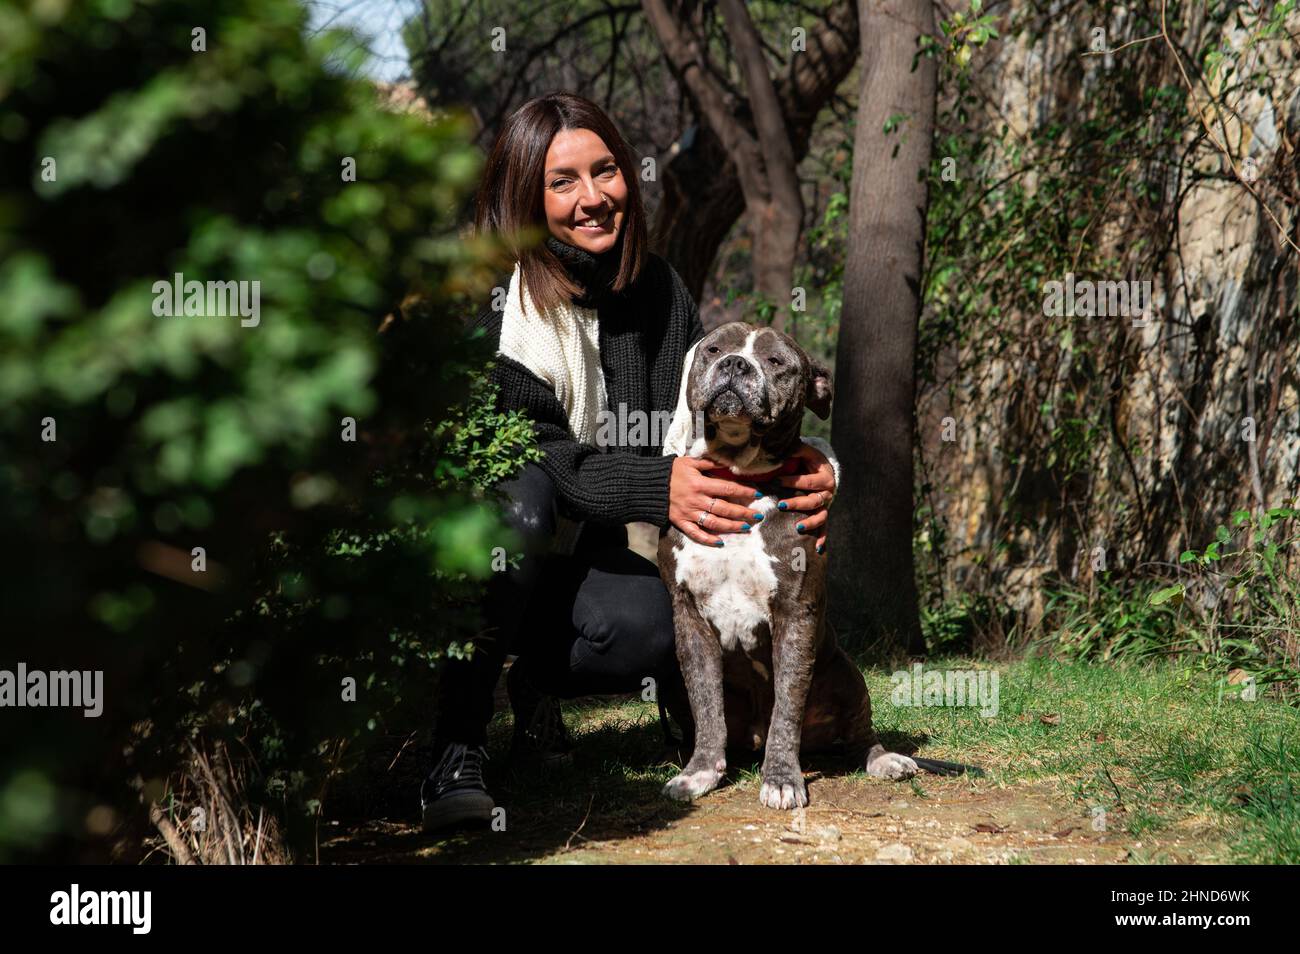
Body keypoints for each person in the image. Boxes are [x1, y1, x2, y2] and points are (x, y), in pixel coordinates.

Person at [421, 91, 838, 831]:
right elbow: (534, 452)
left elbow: (716, 401)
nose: (593, 198)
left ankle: (535, 690)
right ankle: (454, 745)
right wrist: (655, 483)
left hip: (573, 563)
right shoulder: (496, 303)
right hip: (475, 558)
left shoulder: (655, 290)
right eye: (562, 182)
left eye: (606, 171)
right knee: (522, 501)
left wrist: (810, 470)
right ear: (524, 194)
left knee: (649, 626)